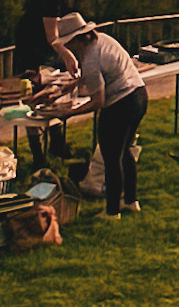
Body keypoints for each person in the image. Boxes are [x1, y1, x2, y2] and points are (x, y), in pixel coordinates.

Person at [56, 13, 147, 216]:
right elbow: (100, 74)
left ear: (75, 40)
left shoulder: (89, 58)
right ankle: (131, 201)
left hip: (121, 103)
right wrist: (73, 84)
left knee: (111, 158)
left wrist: (70, 113)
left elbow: (99, 101)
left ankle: (112, 212)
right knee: (125, 152)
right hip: (139, 95)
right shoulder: (103, 40)